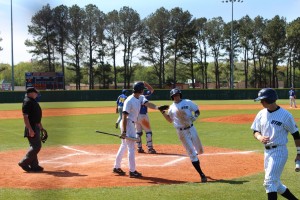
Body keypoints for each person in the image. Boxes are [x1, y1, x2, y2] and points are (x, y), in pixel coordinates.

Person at [251, 88, 300, 200]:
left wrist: (299, 153)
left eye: (262, 100)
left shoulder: (285, 115)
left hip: (279, 152)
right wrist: (260, 137)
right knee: (276, 184)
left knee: (269, 182)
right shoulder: (261, 114)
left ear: (269, 99)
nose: (261, 102)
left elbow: (296, 135)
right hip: (267, 152)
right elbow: (255, 131)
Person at [113, 81, 161, 178]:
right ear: (141, 90)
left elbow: (148, 104)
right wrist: (124, 131)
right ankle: (132, 171)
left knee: (123, 146)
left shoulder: (140, 97)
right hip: (127, 124)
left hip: (131, 123)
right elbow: (124, 116)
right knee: (131, 148)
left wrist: (158, 108)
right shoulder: (129, 100)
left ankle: (116, 167)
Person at [160, 88, 207, 183]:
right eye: (174, 96)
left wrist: (195, 116)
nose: (176, 97)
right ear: (172, 97)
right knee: (192, 154)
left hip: (191, 128)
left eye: (177, 95)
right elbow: (170, 120)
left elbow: (197, 110)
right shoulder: (171, 108)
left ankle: (195, 153)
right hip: (181, 132)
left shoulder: (188, 102)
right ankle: (202, 174)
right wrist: (162, 112)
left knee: (200, 150)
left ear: (180, 95)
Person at [18, 87, 45, 172]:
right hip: (31, 127)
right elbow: (25, 117)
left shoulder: (32, 101)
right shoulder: (27, 102)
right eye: (35, 92)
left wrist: (41, 128)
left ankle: (34, 166)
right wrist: (30, 129)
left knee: (34, 146)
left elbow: (36, 116)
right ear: (31, 93)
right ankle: (24, 162)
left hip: (35, 126)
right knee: (36, 146)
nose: (37, 94)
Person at [136, 85, 157, 154]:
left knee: (138, 132)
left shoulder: (133, 97)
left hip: (135, 116)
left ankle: (139, 148)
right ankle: (150, 148)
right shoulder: (143, 97)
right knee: (148, 132)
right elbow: (152, 90)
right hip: (143, 116)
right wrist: (145, 83)